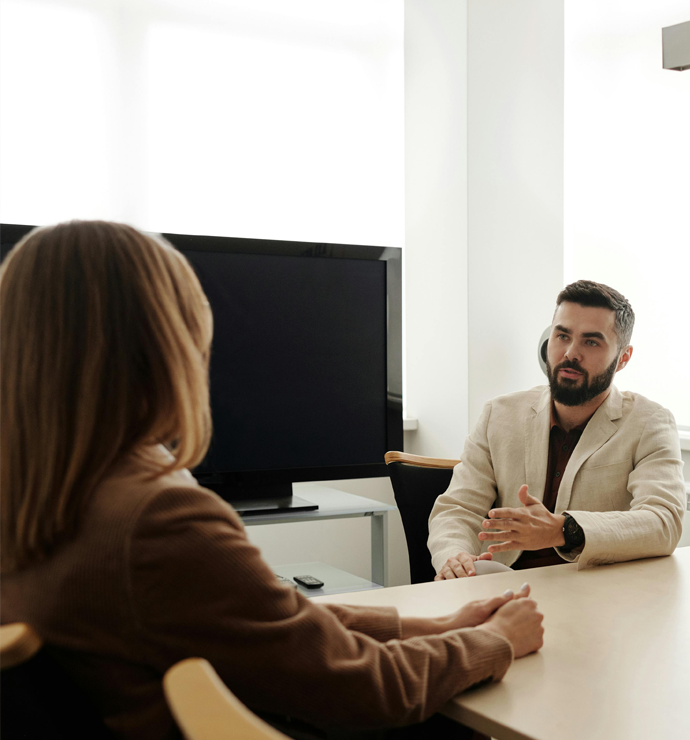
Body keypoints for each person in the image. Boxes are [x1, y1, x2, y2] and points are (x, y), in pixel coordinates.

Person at [0, 221, 544, 740]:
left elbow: (271, 624)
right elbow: (363, 687)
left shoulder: (39, 496)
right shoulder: (158, 520)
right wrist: (493, 641)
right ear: (165, 347)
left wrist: (436, 625)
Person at [427, 280, 685, 580]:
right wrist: (455, 555)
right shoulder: (499, 415)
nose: (570, 353)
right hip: (500, 586)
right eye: (562, 336)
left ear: (623, 358)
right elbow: (458, 508)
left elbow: (663, 522)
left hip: (595, 596)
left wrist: (565, 530)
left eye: (591, 342)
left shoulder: (649, 422)